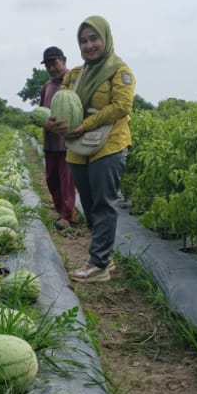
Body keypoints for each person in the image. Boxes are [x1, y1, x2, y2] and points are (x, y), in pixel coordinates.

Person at [44, 17, 135, 284]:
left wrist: (85, 125)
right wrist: (54, 121)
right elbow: (63, 104)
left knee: (104, 203)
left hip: (109, 144)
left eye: (94, 39)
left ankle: (98, 264)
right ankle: (104, 255)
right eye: (84, 41)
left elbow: (121, 107)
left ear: (105, 39)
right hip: (77, 146)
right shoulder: (75, 74)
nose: (89, 45)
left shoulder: (120, 71)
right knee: (89, 202)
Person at [37, 44, 77, 229]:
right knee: (51, 178)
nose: (52, 68)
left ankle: (67, 215)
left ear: (64, 61)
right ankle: (60, 209)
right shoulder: (47, 86)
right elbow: (42, 111)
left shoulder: (73, 82)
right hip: (50, 141)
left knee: (66, 179)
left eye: (55, 63)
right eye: (48, 66)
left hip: (67, 142)